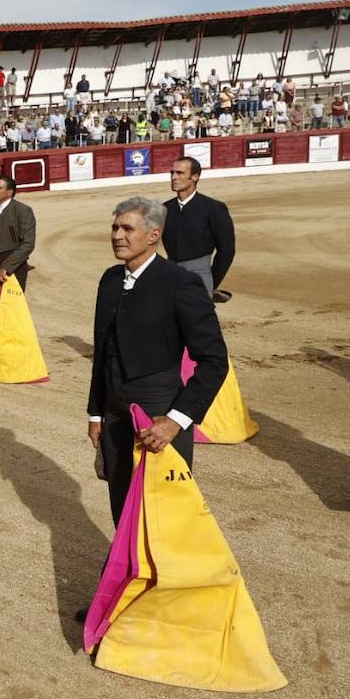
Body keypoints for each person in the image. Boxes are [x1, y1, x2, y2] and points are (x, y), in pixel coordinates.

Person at [87, 197, 228, 525]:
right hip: (115, 411)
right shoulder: (109, 280)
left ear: (153, 235)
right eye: (114, 227)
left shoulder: (180, 283)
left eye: (127, 228)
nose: (117, 236)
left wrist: (176, 420)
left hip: (159, 408)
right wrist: (96, 413)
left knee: (166, 511)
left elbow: (214, 360)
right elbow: (102, 351)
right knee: (121, 503)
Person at [161, 157, 236, 298]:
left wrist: (212, 281)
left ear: (194, 177)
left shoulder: (214, 208)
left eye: (180, 173)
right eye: (172, 173)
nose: (173, 177)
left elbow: (226, 251)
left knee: (196, 319)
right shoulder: (164, 209)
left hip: (200, 275)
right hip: (170, 274)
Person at [0, 174, 36, 297]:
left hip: (13, 268)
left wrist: (7, 267)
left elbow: (28, 244)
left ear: (9, 192)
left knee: (12, 308)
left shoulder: (22, 210)